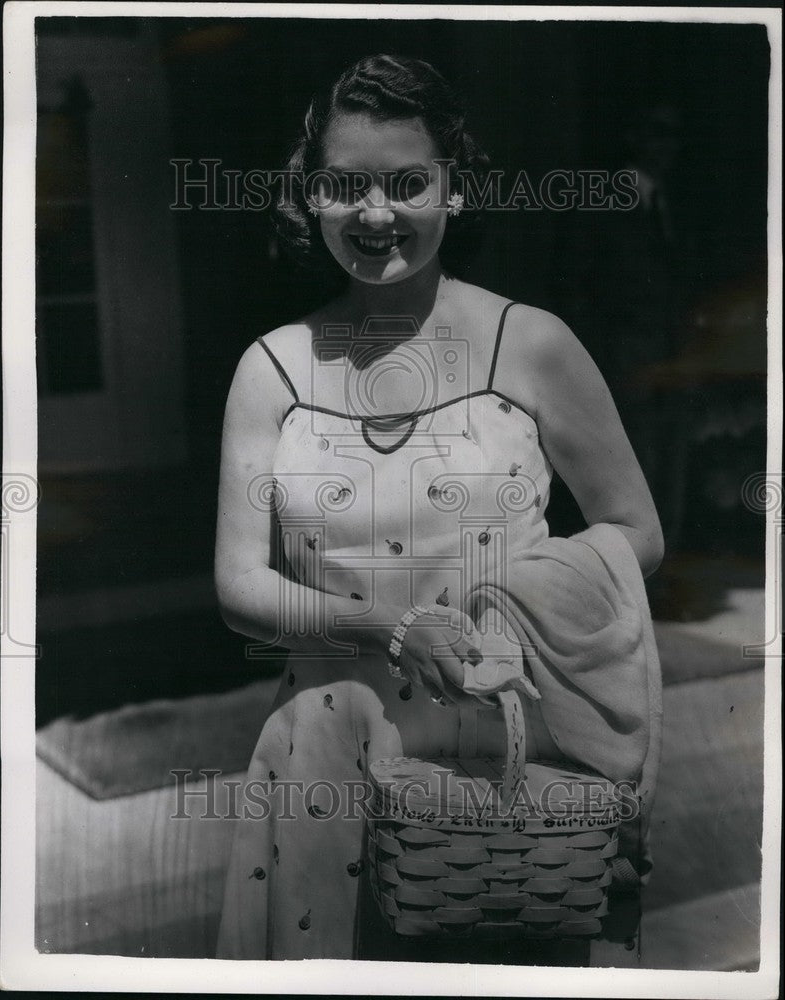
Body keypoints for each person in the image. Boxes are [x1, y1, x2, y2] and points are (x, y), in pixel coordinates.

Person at [214, 54, 663, 962]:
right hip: (325, 755)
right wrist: (394, 625)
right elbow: (238, 583)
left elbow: (636, 530)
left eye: (408, 183)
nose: (377, 216)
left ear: (455, 189)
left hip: (502, 754)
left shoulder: (530, 344)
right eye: (346, 186)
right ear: (312, 198)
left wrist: (513, 605)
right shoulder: (272, 369)